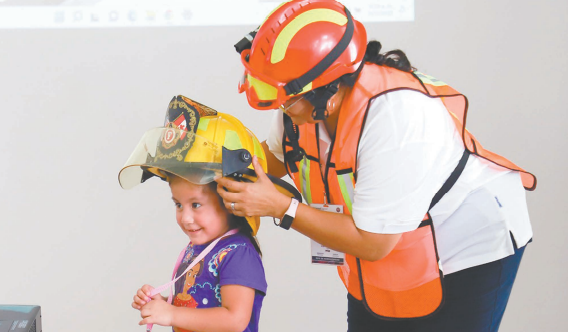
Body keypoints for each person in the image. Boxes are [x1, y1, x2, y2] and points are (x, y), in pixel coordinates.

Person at [218, 1, 537, 331]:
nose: (279, 105)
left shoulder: (396, 118)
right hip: (390, 237)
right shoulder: (301, 101)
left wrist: (282, 207)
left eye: (281, 95)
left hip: (469, 242)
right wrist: (212, 159)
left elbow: (373, 243)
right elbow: (273, 158)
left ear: (328, 92)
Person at [118, 95, 282, 332]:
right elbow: (196, 309)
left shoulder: (238, 254)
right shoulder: (199, 248)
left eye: (195, 205)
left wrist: (172, 314)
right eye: (178, 204)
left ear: (230, 199)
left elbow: (235, 319)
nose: (185, 218)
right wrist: (162, 305)